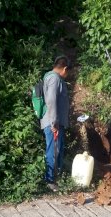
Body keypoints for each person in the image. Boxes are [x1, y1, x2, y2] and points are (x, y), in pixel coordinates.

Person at [40, 56, 71, 191]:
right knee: (53, 150)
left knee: (57, 149)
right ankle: (50, 181)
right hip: (53, 123)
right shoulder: (54, 78)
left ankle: (56, 179)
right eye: (68, 71)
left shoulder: (51, 77)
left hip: (55, 122)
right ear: (64, 68)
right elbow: (51, 100)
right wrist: (54, 122)